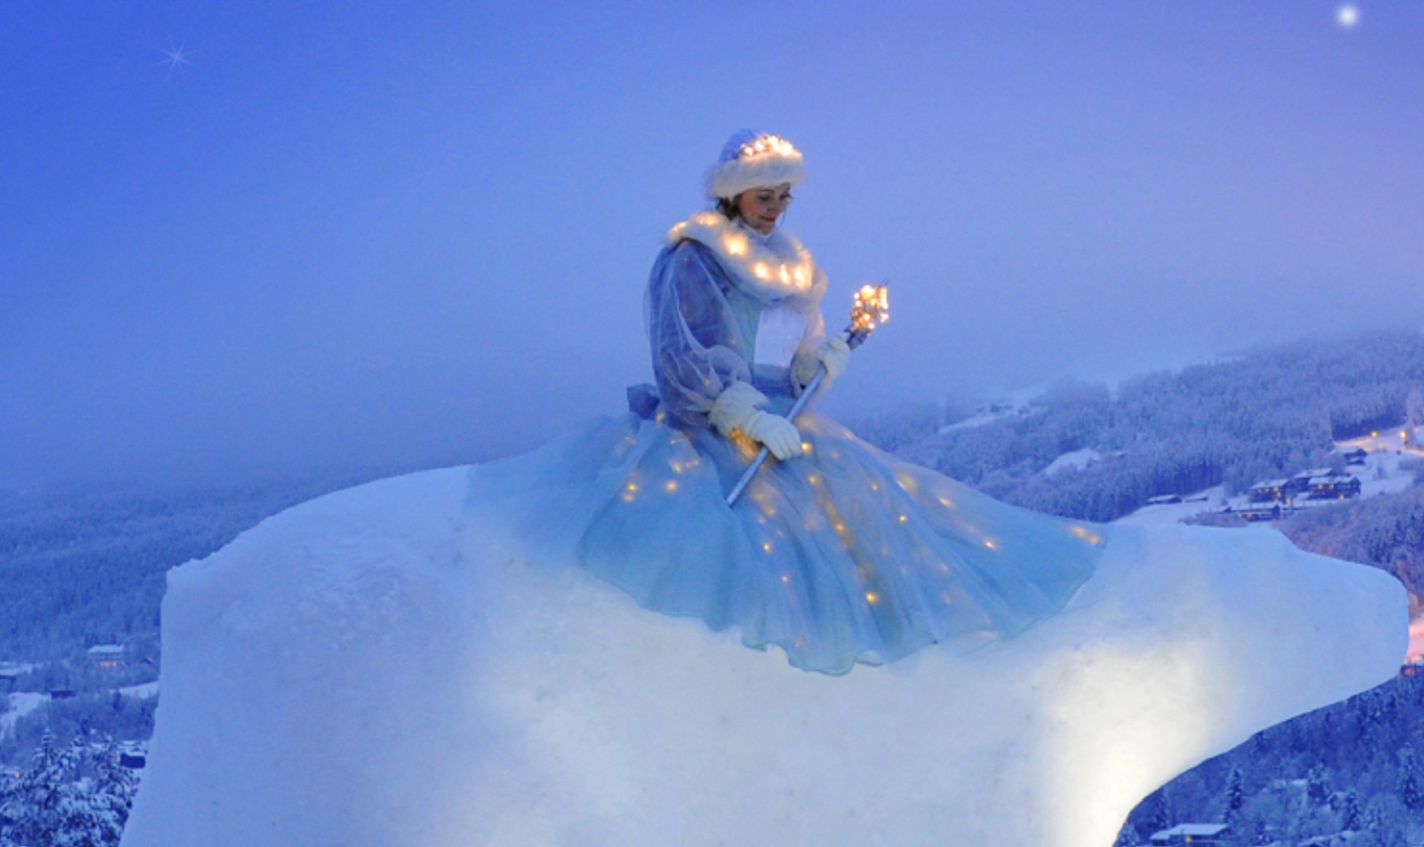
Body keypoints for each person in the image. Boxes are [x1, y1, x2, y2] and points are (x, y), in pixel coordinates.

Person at [467, 130, 1105, 674]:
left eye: (784, 197)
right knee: (728, 547)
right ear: (731, 192)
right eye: (763, 196)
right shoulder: (694, 259)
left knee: (874, 522)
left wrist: (818, 362)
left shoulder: (792, 265)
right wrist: (738, 413)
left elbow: (793, 353)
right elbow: (678, 353)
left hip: (784, 425)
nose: (776, 209)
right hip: (712, 426)